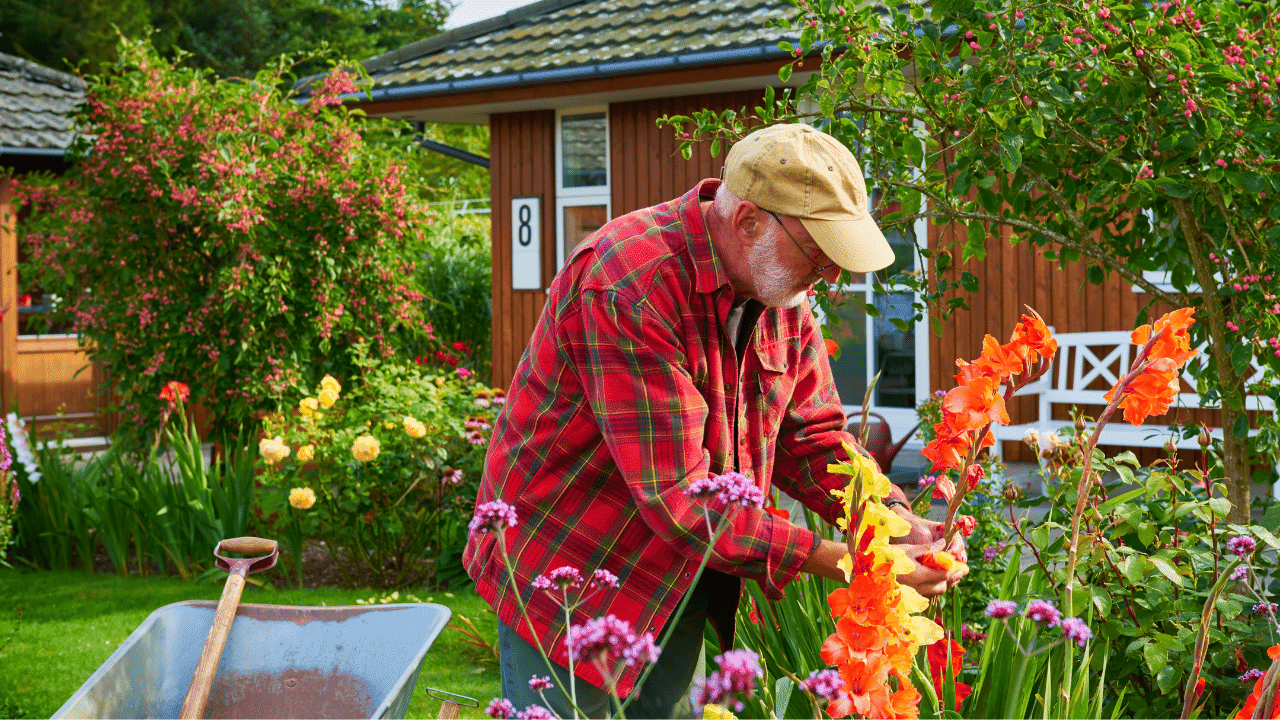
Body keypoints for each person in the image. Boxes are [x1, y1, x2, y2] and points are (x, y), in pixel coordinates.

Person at [464, 123, 967, 718]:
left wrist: (890, 522)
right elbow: (683, 499)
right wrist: (850, 560)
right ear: (749, 220)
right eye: (818, 252)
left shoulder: (780, 290)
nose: (830, 276)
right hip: (574, 573)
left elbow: (814, 439)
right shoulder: (629, 283)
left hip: (680, 571)